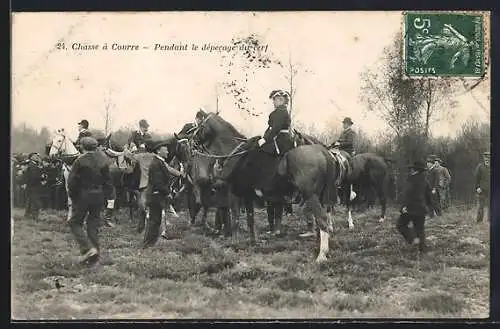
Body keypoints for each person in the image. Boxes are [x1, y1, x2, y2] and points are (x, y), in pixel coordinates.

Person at [67, 137, 114, 265]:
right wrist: (110, 198)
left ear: (82, 147)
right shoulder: (103, 160)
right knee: (93, 225)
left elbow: (71, 182)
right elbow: (108, 182)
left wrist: (73, 196)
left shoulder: (79, 161)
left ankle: (87, 249)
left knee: (74, 223)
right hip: (99, 196)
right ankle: (94, 258)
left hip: (83, 195)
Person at [142, 140, 185, 248]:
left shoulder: (160, 162)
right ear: (158, 151)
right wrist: (167, 193)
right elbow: (158, 182)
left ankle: (150, 244)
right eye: (165, 150)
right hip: (155, 196)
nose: (167, 152)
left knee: (155, 221)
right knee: (153, 221)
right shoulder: (156, 163)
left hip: (156, 195)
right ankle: (147, 245)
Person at [396, 159, 434, 255]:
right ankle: (423, 250)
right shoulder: (425, 181)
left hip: (410, 209)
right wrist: (430, 209)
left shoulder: (411, 180)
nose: (410, 170)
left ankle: (413, 239)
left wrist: (403, 207)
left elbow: (408, 195)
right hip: (421, 209)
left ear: (414, 169)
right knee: (420, 229)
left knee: (400, 225)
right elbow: (429, 196)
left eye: (412, 168)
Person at [257, 89, 294, 156]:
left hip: (281, 139)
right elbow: (271, 128)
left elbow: (276, 128)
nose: (273, 102)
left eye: (275, 100)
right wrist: (265, 136)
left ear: (281, 100)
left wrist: (265, 139)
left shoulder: (281, 111)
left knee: (261, 152)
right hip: (278, 137)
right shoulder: (279, 111)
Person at [21, 152, 44, 220]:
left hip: (31, 186)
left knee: (30, 201)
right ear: (31, 157)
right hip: (33, 186)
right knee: (34, 202)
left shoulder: (32, 165)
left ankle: (27, 215)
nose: (37, 157)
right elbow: (34, 176)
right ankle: (34, 216)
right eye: (35, 156)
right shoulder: (32, 165)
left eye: (37, 156)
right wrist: (41, 177)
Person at [474, 151, 491, 223]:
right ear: (484, 158)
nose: (487, 159)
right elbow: (476, 178)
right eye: (486, 158)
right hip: (482, 190)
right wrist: (477, 187)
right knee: (481, 206)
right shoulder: (480, 166)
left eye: (489, 158)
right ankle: (479, 221)